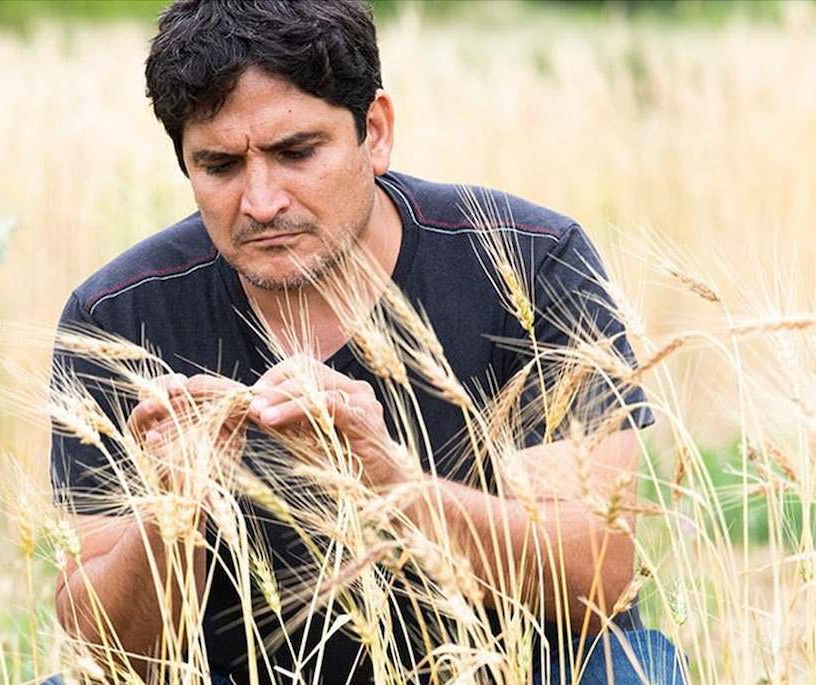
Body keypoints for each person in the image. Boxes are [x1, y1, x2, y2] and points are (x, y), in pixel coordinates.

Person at [50, 1, 683, 683]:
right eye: (220, 166)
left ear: (375, 132)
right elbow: (106, 656)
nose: (261, 202)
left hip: (504, 667)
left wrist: (387, 477)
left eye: (297, 152)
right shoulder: (118, 315)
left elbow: (596, 579)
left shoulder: (528, 262)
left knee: (624, 668)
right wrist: (175, 508)